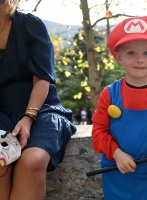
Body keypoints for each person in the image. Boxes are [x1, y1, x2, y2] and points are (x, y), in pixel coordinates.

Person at [91, 16, 147, 199]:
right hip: (117, 175)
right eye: (131, 53)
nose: (139, 59)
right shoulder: (109, 95)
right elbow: (99, 133)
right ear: (119, 57)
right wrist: (117, 154)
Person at [0, 1, 76, 199]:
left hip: (41, 107)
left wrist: (28, 117)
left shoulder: (29, 24)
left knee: (32, 160)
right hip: (1, 112)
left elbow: (42, 79)